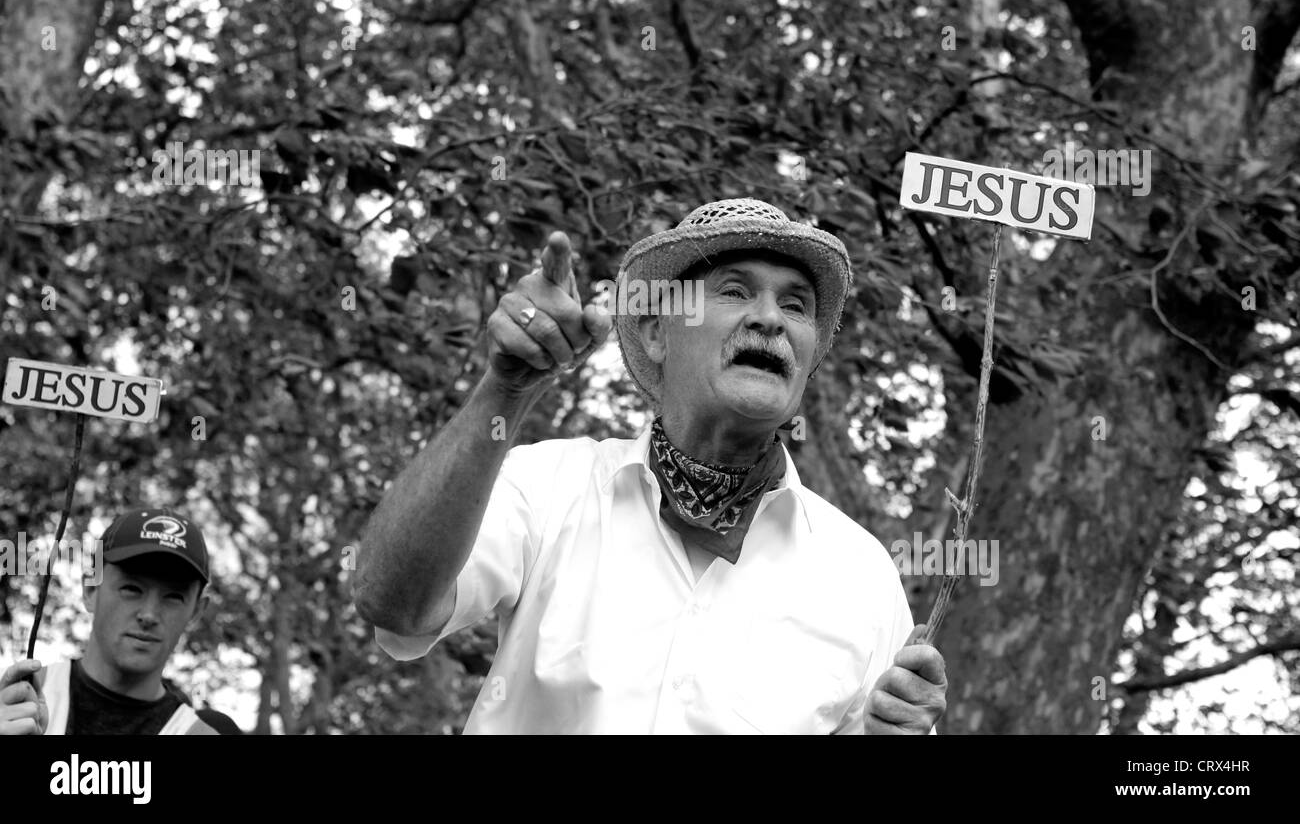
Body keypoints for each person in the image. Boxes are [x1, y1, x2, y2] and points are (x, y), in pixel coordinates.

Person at [354, 198, 948, 734]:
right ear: (658, 332)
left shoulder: (862, 575)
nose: (770, 319)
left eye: (795, 305)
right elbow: (397, 605)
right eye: (735, 291)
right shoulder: (549, 486)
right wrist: (505, 389)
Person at [0, 509, 236, 735]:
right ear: (91, 590)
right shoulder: (15, 702)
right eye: (131, 589)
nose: (149, 615)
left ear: (196, 611)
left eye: (174, 597)